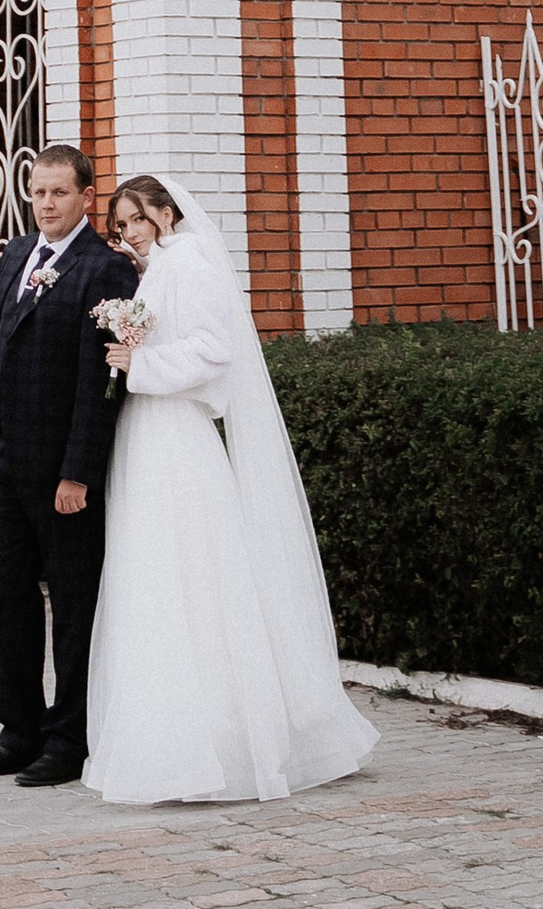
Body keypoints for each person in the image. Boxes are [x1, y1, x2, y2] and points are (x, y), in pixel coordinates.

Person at [81, 174, 377, 806]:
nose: (129, 232)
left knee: (191, 572)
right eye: (121, 224)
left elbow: (215, 353)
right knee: (156, 573)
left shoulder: (192, 266)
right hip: (147, 432)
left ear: (166, 213)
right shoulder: (161, 268)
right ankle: (170, 737)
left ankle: (222, 742)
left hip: (176, 438)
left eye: (137, 219)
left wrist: (141, 364)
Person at [0, 140, 135, 789]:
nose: (46, 204)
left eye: (60, 192)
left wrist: (78, 472)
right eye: (37, 192)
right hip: (4, 461)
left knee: (74, 605)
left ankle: (69, 739)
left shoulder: (105, 270)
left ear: (87, 197)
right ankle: (18, 731)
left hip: (63, 472)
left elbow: (102, 382)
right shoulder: (14, 254)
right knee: (6, 596)